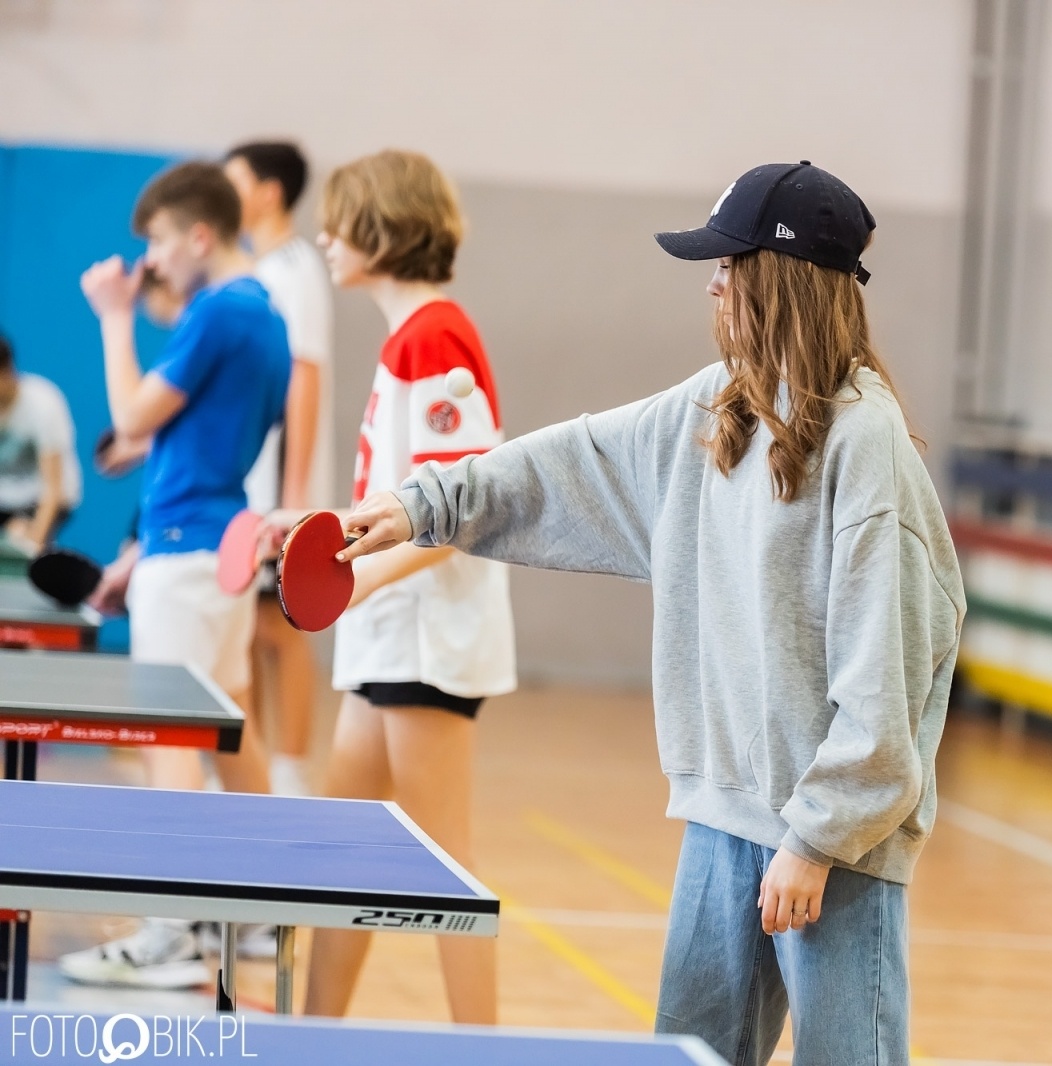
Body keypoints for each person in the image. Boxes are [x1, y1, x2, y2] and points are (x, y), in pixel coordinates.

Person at [338, 161, 964, 1065]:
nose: (712, 281)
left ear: (779, 279)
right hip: (724, 820)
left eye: (728, 263)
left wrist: (816, 841)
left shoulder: (866, 446)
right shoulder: (720, 405)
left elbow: (889, 679)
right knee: (690, 1052)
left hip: (836, 846)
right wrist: (418, 505)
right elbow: (570, 462)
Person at [291, 150, 515, 1025]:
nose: (325, 238)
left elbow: (456, 511)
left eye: (339, 221)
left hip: (426, 641)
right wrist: (319, 533)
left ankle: (485, 1048)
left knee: (442, 869)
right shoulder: (406, 339)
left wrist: (346, 585)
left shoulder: (435, 337)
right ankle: (310, 1036)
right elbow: (397, 503)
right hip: (386, 634)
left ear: (381, 229)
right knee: (346, 856)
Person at [63, 160, 292, 988]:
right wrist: (136, 553)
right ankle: (263, 907)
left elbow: (129, 418)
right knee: (228, 729)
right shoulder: (266, 318)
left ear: (199, 235)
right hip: (208, 550)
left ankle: (168, 930)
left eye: (157, 242)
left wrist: (116, 316)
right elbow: (179, 446)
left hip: (192, 558)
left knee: (171, 736)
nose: (150, 261)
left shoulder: (216, 312)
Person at [225, 140, 336, 798]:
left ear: (267, 190)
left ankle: (290, 774)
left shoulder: (295, 269)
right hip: (249, 484)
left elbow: (306, 375)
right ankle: (256, 771)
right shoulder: (258, 268)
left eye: (233, 177)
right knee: (249, 630)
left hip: (279, 489)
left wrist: (293, 497)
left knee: (282, 630)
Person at [0, 331, 82, 550]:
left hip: (46, 497)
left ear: (7, 372)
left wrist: (32, 546)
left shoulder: (43, 403)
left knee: (21, 538)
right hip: (4, 498)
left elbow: (53, 490)